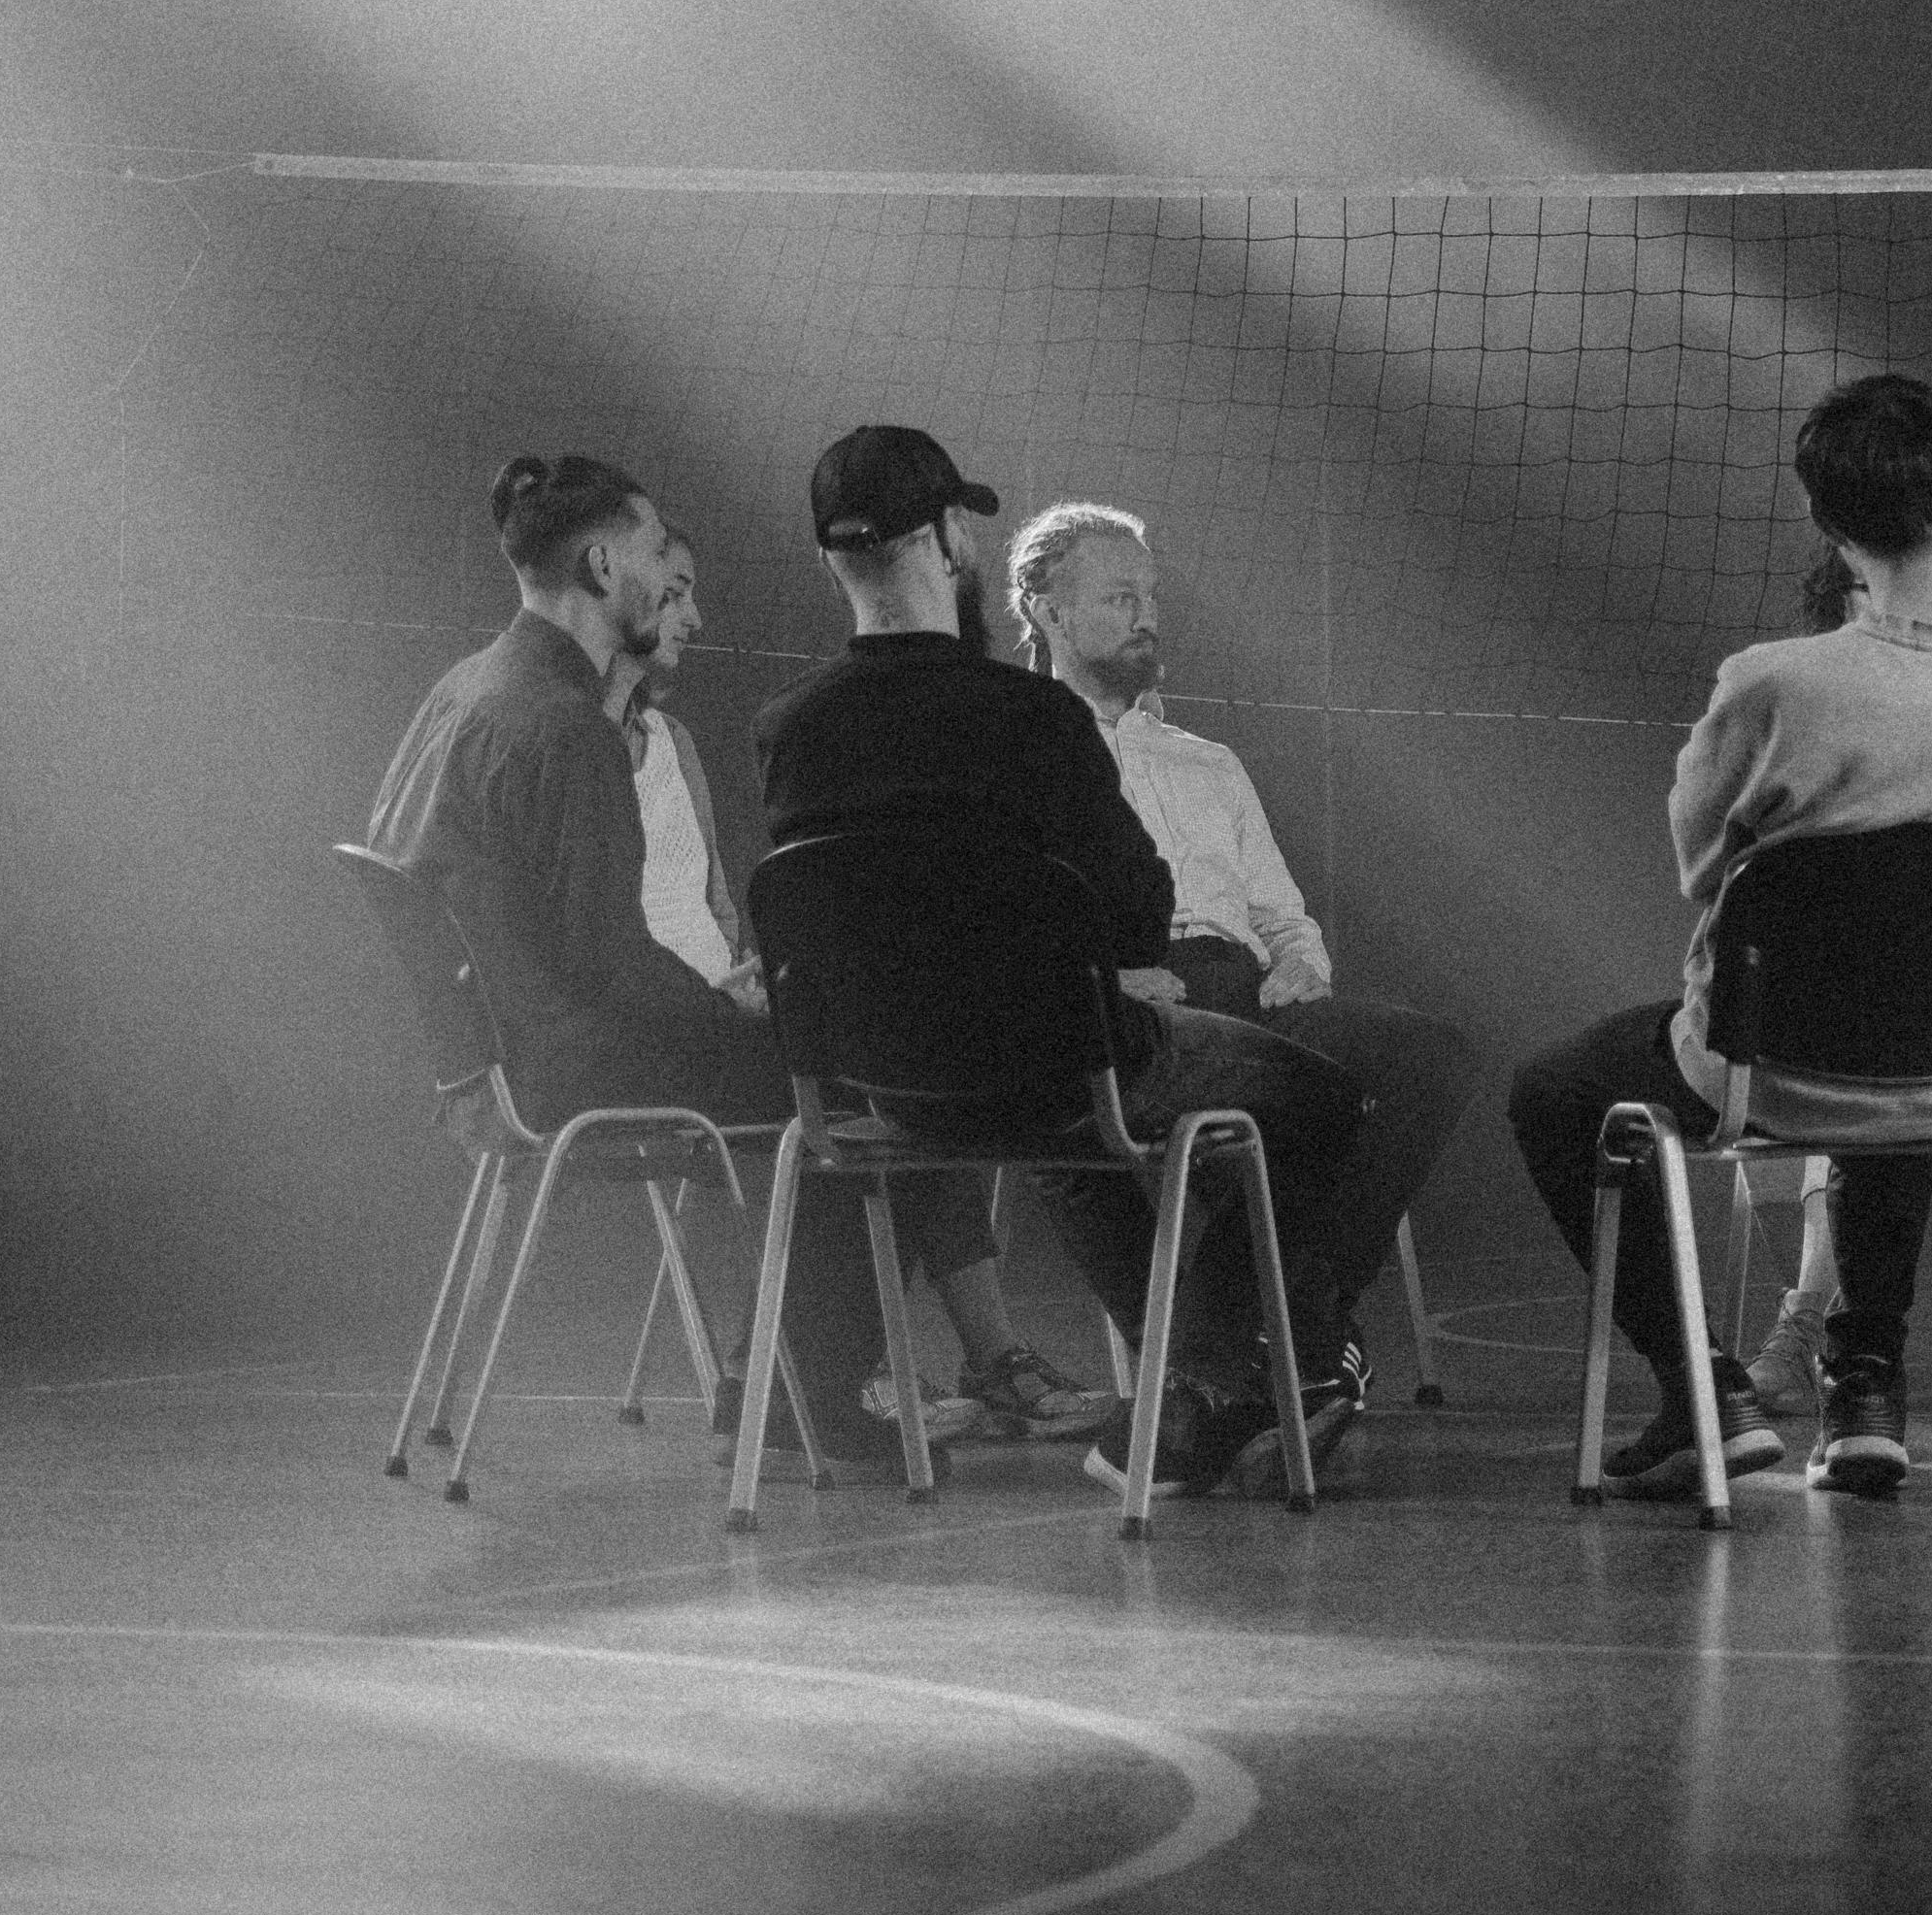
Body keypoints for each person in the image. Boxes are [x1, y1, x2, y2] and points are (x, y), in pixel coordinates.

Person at [1507, 371, 1932, 1501]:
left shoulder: (1773, 683)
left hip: (1771, 1069)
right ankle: (1865, 1384)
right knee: (1909, 1023)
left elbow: (1699, 871)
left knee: (1552, 1092)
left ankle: (1705, 1393)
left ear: (1824, 522)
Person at [753, 421, 1371, 1501]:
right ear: (950, 539)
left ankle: (1206, 1379)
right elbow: (1137, 907)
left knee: (1079, 1109)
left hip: (880, 1094)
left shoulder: (788, 729)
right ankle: (1223, 1368)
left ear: (829, 558)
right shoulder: (1031, 716)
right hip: (1055, 1070)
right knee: (1326, 1103)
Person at [365, 446, 907, 1473]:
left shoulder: (461, 688)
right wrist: (744, 1013)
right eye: (660, 549)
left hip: (498, 1063)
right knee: (856, 1075)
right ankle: (804, 1395)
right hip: (574, 1070)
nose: (672, 574)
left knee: (811, 1047)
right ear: (605, 569)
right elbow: (613, 971)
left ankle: (779, 1379)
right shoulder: (569, 729)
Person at [614, 531, 1102, 1447]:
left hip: (723, 994)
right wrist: (722, 997)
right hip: (672, 1022)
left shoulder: (670, 739)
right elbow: (606, 935)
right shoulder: (575, 740)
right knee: (883, 1064)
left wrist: (750, 967)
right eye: (675, 593)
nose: (693, 615)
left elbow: (714, 896)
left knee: (889, 1038)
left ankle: (792, 1371)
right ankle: (836, 1378)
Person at [1006, 498, 1478, 1417]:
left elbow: (1285, 915)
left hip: (1248, 989)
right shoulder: (1019, 751)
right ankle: (1258, 1349)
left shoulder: (1208, 761)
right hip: (1130, 1001)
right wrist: (1099, 977)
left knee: (1430, 1054)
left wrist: (1306, 967)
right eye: (1117, 599)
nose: (1146, 616)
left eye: (1150, 595)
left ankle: (1294, 1317)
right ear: (1045, 611)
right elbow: (1009, 916)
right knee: (1099, 1108)